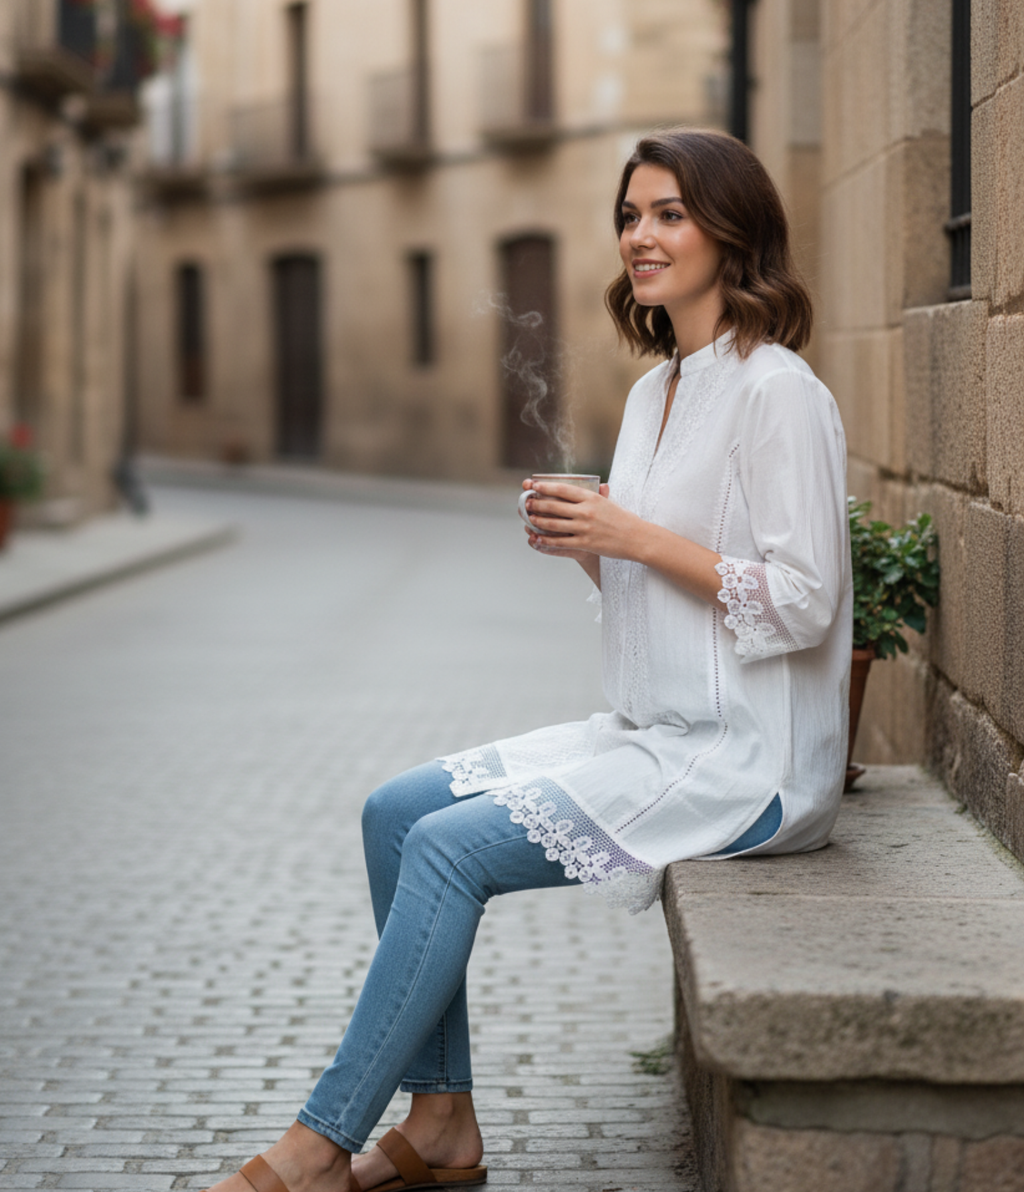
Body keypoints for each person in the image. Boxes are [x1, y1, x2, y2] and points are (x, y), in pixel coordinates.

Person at [206, 128, 852, 1192]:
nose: (639, 236)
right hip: (651, 732)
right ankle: (443, 1120)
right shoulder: (657, 393)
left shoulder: (777, 391)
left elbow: (803, 598)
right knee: (393, 812)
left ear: (732, 233)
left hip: (748, 760)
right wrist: (592, 546)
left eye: (668, 214)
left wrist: (631, 535)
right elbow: (660, 589)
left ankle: (318, 1144)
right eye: (630, 215)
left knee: (451, 849)